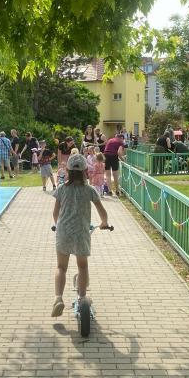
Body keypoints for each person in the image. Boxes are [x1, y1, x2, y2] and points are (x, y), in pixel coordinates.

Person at [51, 153, 109, 317]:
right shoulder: (89, 190)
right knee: (82, 266)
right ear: (85, 171)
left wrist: (58, 224)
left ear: (68, 170)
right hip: (81, 233)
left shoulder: (62, 189)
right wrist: (104, 222)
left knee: (61, 267)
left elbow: (55, 213)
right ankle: (82, 297)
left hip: (63, 232)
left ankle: (58, 298)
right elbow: (102, 211)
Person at [103, 129, 126, 197]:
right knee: (115, 175)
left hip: (106, 156)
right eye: (123, 139)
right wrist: (123, 160)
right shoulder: (120, 142)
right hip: (114, 157)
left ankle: (110, 191)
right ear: (121, 138)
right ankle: (117, 191)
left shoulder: (110, 140)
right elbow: (119, 152)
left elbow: (106, 148)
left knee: (108, 175)